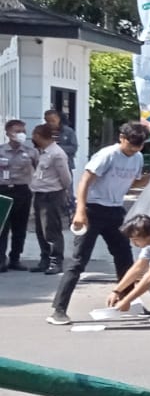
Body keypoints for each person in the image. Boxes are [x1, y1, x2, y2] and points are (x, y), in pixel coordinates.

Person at [47, 122, 150, 326]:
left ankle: (129, 302)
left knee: (124, 257)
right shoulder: (107, 155)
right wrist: (80, 211)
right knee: (79, 261)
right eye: (131, 146)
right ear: (122, 138)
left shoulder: (138, 157)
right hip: (92, 210)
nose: (134, 151)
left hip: (115, 211)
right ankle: (59, 310)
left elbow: (134, 182)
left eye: (139, 147)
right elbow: (85, 181)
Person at [29, 123, 71, 274]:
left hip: (52, 195)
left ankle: (56, 261)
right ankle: (44, 259)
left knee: (51, 230)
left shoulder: (56, 154)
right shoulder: (42, 152)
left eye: (34, 135)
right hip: (40, 194)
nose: (32, 138)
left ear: (39, 136)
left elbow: (66, 178)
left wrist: (64, 193)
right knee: (41, 230)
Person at [0, 118, 39, 272]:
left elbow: (39, 170)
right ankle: (1, 260)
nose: (21, 134)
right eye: (17, 131)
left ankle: (15, 258)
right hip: (3, 191)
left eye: (23, 131)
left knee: (20, 227)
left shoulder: (31, 152)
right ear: (8, 133)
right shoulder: (1, 151)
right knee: (2, 227)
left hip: (22, 190)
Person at [44, 108, 77, 216]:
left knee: (67, 189)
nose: (50, 123)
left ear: (59, 119)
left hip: (65, 166)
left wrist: (56, 148)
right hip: (49, 167)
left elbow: (73, 148)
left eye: (53, 120)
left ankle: (70, 212)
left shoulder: (68, 131)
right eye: (47, 121)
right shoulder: (44, 132)